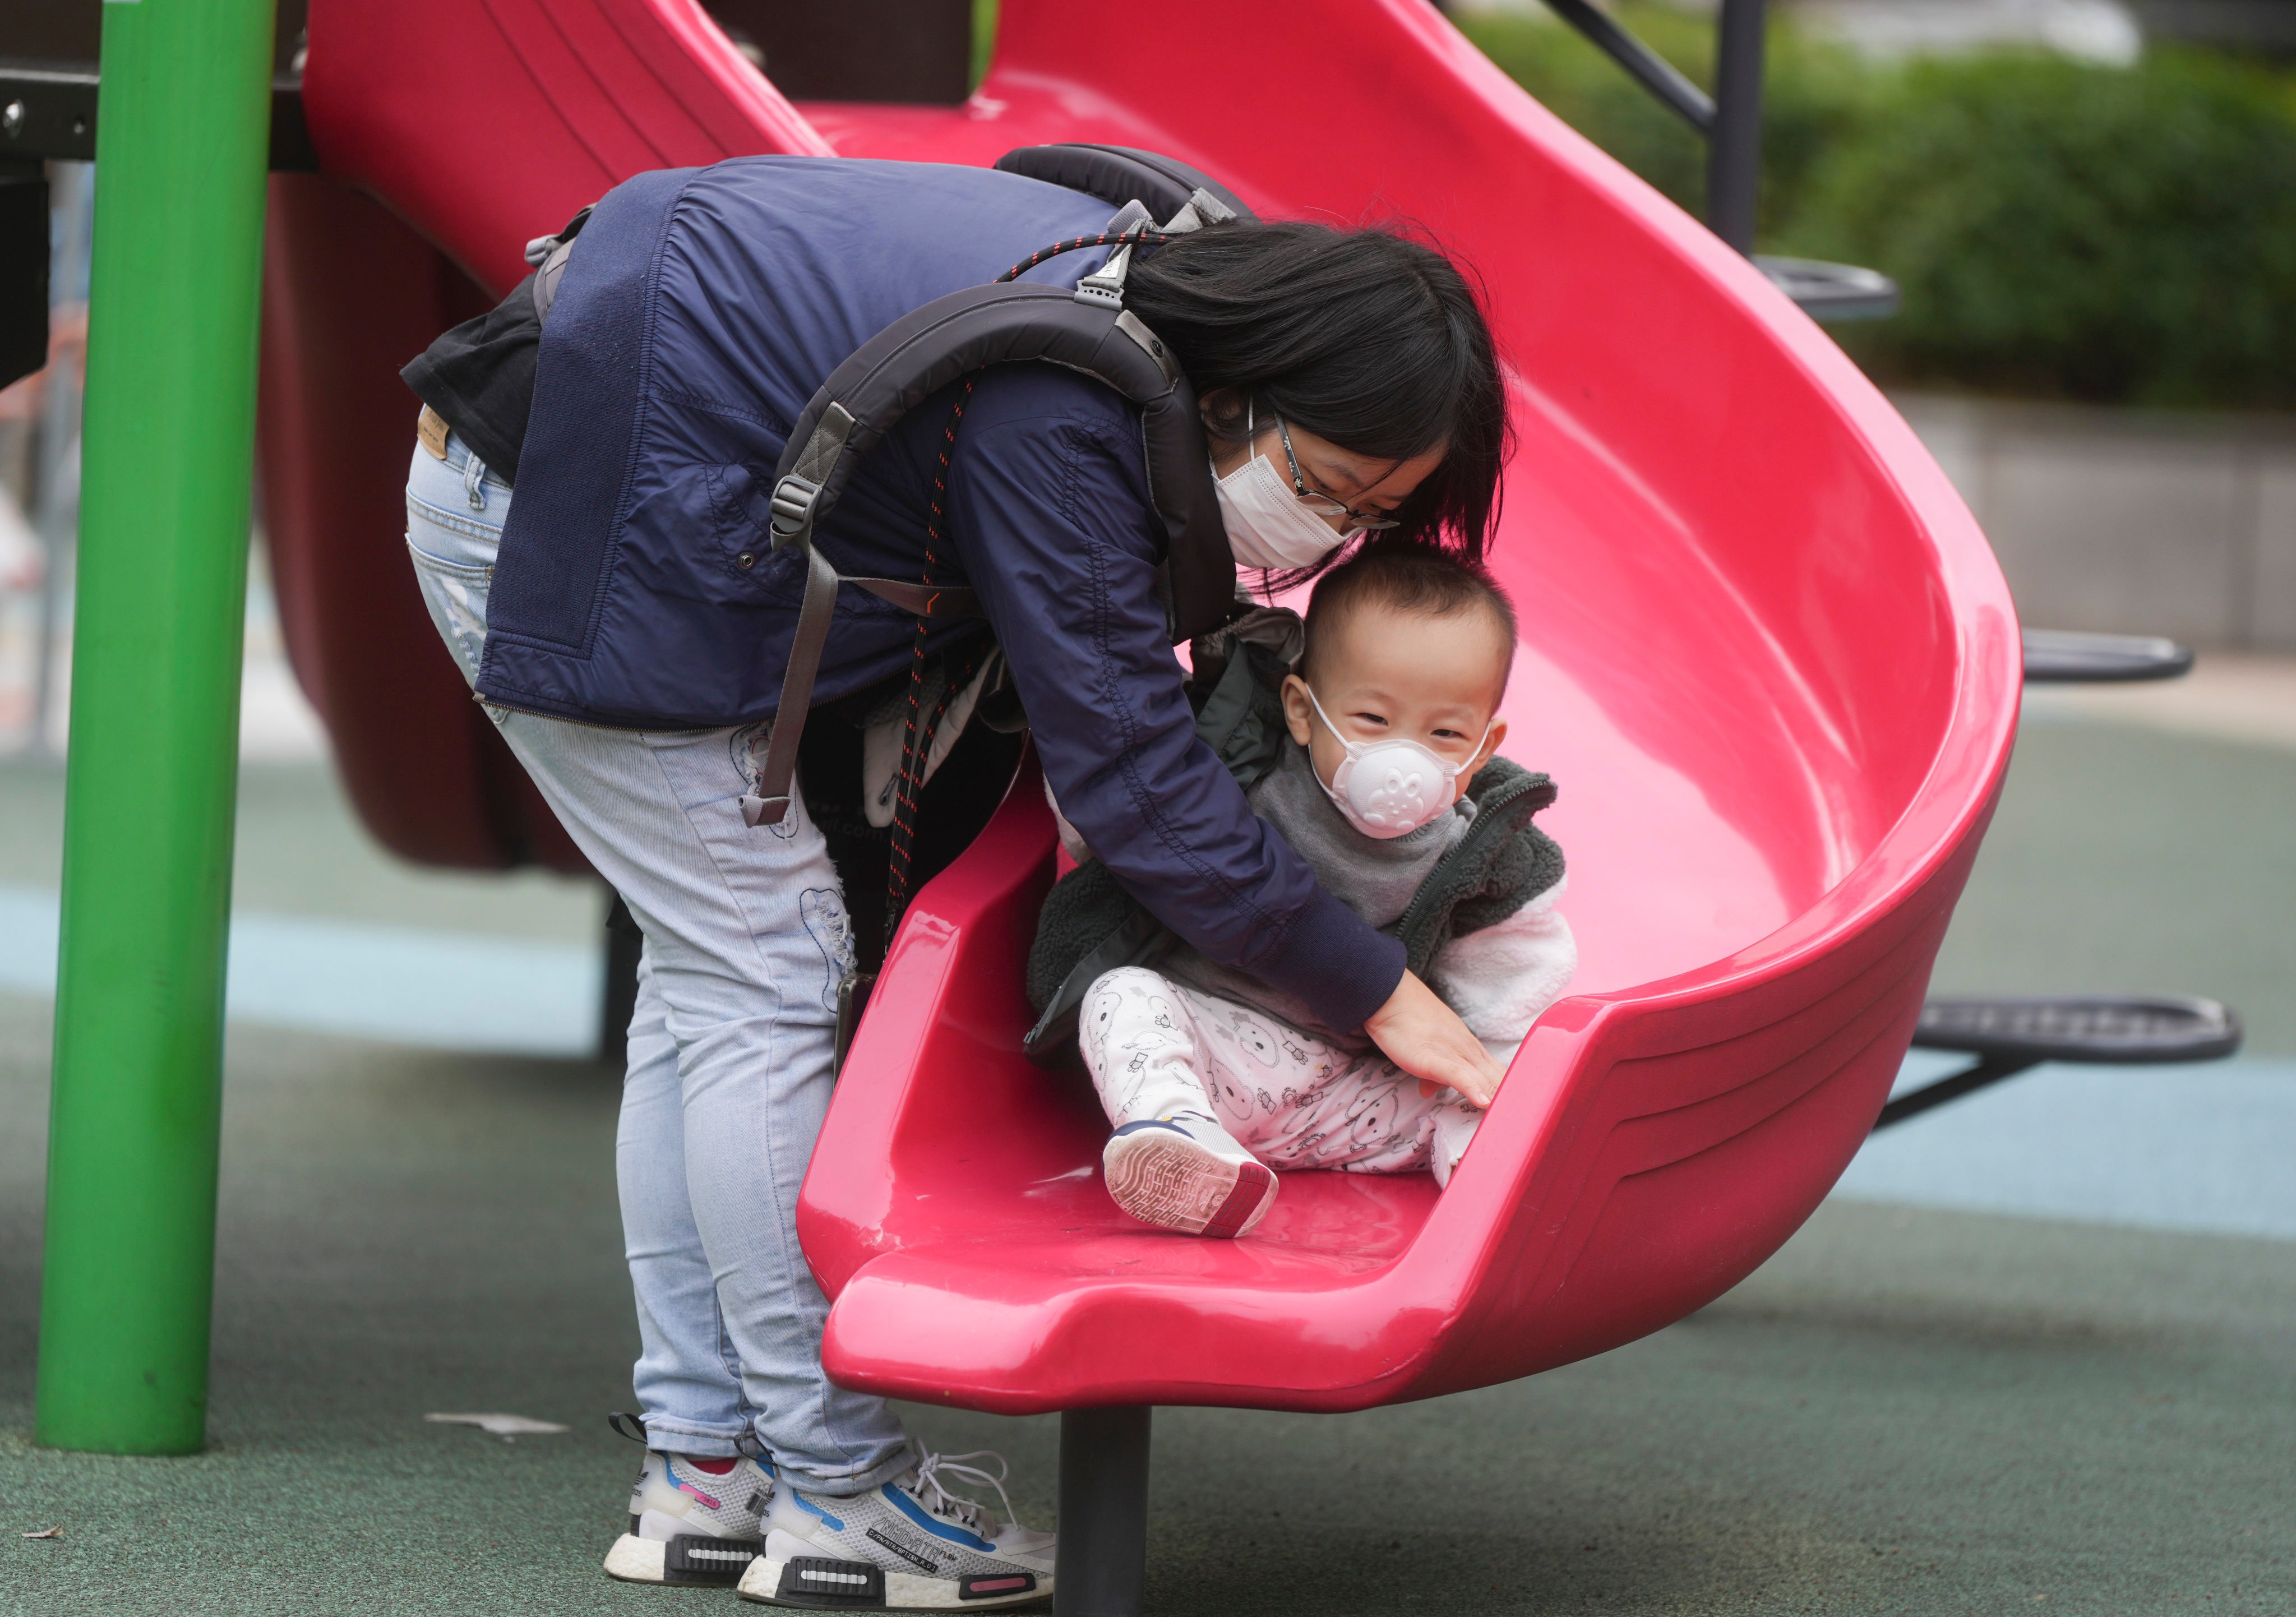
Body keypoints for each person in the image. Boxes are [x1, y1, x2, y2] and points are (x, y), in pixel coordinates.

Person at [397, 154, 1508, 1607]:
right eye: (1323, 489)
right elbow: (1134, 782)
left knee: (708, 978)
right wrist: (1380, 993)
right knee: (768, 965)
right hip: (550, 500)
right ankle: (830, 1486)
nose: (1325, 541)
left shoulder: (1141, 287)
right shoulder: (1064, 408)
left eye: (1372, 517)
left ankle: (704, 1469)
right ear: (1242, 391)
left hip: (576, 446)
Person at [1067, 541, 1576, 1238]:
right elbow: (1135, 823)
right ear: (1304, 711)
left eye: (1445, 732)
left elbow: (1516, 988)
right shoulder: (1240, 778)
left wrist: (1487, 1083)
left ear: (1483, 749)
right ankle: (1185, 1140)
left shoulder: (1481, 855)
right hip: (1217, 1053)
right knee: (1123, 997)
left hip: (1350, 1098)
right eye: (1373, 721)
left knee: (1481, 1085)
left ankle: (1484, 1175)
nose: (1405, 758)